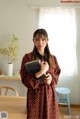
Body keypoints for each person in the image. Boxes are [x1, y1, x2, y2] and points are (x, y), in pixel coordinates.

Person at [20, 28, 61, 119]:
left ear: (47, 41)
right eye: (37, 40)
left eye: (43, 40)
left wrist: (51, 79)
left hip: (50, 95)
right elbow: (24, 78)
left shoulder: (53, 58)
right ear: (33, 41)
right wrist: (41, 72)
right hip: (34, 96)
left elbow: (56, 75)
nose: (40, 43)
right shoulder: (28, 57)